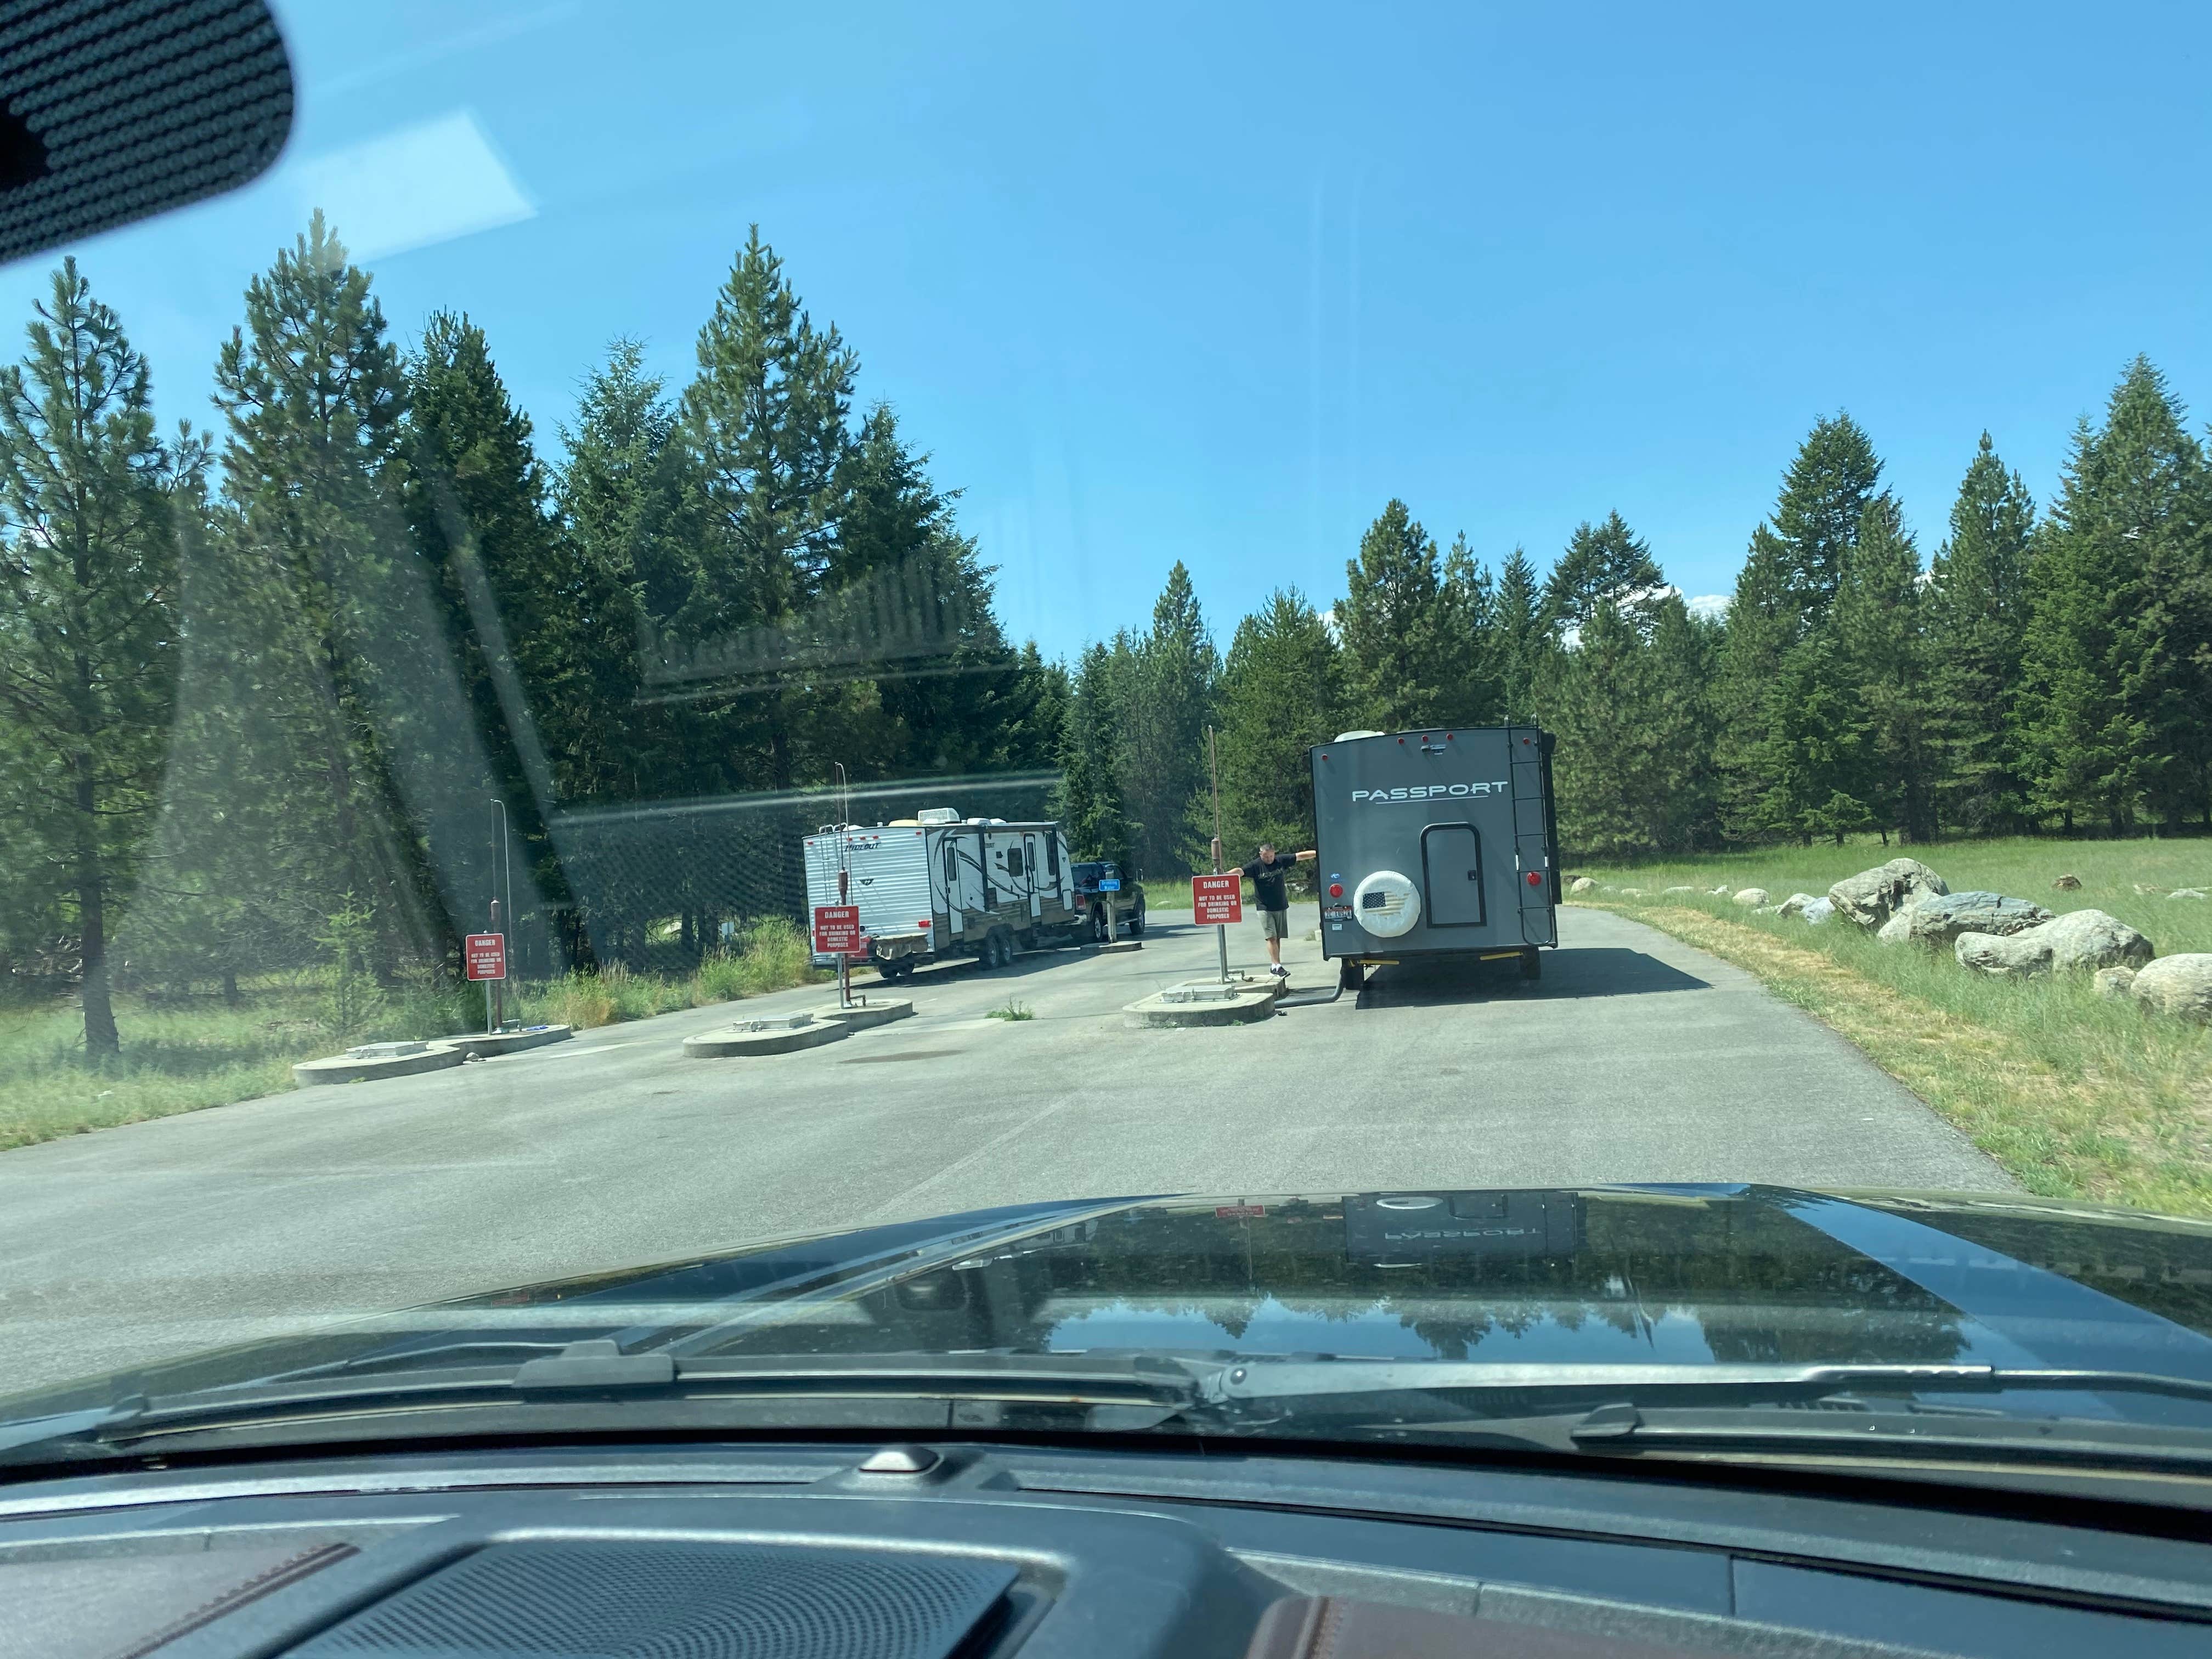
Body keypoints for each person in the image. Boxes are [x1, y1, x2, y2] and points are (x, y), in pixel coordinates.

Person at [1242, 842, 1317, 977]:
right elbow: (1240, 871)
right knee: (1271, 937)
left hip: (1281, 905)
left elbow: (1300, 856)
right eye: (1266, 857)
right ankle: (1278, 966)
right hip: (1264, 907)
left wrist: (1320, 853)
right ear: (1260, 854)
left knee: (1277, 938)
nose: (1269, 859)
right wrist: (1225, 874)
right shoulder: (1255, 866)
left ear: (1274, 854)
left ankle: (1274, 966)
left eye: (1271, 856)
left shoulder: (1280, 861)